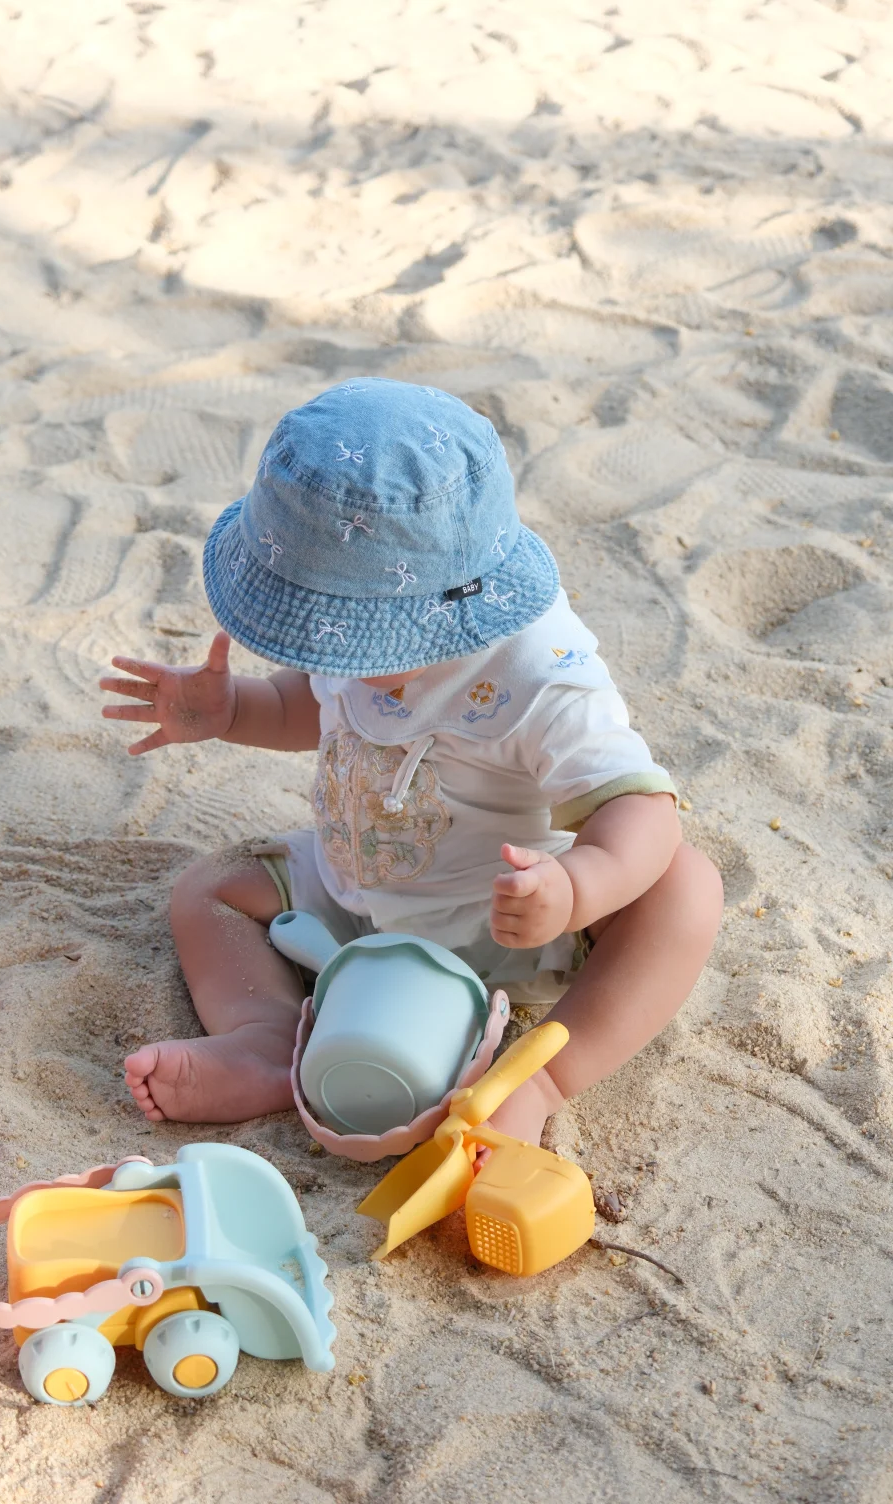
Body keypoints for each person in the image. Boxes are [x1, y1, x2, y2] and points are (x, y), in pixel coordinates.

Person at [100, 378, 722, 1144]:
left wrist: (573, 887)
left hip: (502, 924)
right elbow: (313, 707)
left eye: (345, 644)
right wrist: (231, 711)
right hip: (353, 895)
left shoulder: (542, 673)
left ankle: (541, 1082)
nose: (331, 660)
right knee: (210, 890)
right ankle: (266, 1040)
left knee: (686, 888)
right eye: (315, 640)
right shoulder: (352, 645)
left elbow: (642, 811)